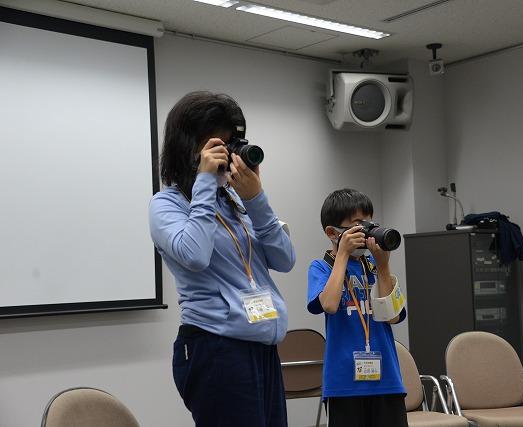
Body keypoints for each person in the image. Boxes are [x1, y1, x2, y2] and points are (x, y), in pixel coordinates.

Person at [149, 91, 295, 427]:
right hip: (216, 348)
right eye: (220, 143)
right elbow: (195, 255)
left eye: (232, 143)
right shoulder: (165, 205)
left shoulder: (234, 201)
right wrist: (203, 182)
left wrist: (256, 197)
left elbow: (285, 259)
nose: (229, 153)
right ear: (191, 147)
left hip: (261, 348)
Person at [307, 188, 408, 427]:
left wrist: (383, 267)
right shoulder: (321, 268)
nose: (366, 231)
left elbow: (393, 317)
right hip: (344, 383)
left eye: (369, 223)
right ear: (333, 232)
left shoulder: (374, 266)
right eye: (357, 225)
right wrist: (342, 254)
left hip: (386, 379)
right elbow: (330, 304)